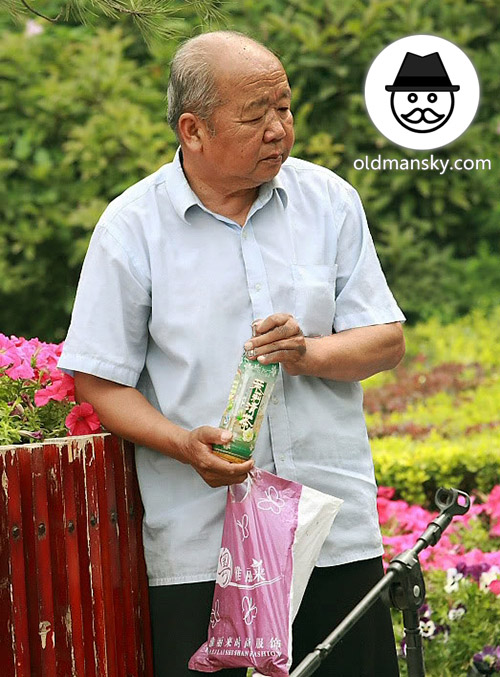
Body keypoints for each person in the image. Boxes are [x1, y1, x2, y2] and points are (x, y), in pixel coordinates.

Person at [59, 30, 406, 677]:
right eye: (256, 114)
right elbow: (98, 380)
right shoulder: (131, 226)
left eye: (285, 106)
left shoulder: (329, 201)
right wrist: (184, 444)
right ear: (193, 129)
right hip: (203, 541)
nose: (280, 128)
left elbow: (385, 338)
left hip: (330, 526)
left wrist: (307, 352)